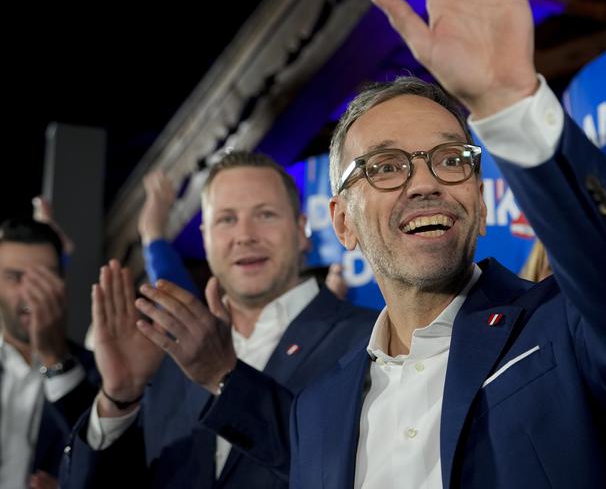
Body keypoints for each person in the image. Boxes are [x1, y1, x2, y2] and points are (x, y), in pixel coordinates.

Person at [289, 0, 606, 488]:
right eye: (386, 166)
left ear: (480, 199)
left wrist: (509, 101)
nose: (424, 182)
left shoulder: (559, 325)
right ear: (343, 222)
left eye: (450, 159)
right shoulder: (315, 412)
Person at [60, 152, 377, 488]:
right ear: (205, 238)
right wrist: (118, 400)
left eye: (265, 215)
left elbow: (352, 469)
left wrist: (224, 377)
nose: (244, 235)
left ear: (302, 231)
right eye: (226, 220)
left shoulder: (369, 340)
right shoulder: (163, 352)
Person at [0, 218, 98, 489]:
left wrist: (55, 358)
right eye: (15, 277)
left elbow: (106, 459)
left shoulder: (96, 373)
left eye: (44, 277)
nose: (30, 293)